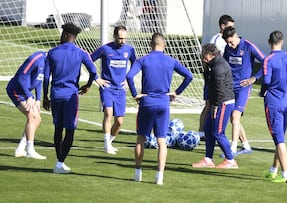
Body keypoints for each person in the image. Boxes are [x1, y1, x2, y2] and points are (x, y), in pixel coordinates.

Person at [126, 33, 192, 185]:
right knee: (162, 140)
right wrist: (176, 92)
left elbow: (129, 76)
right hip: (163, 103)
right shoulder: (170, 60)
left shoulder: (143, 60)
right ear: (164, 45)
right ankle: (159, 176)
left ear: (150, 44)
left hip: (147, 102)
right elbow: (189, 76)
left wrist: (136, 94)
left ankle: (138, 172)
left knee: (141, 138)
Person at [43, 23, 108, 174]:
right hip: (71, 96)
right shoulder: (81, 53)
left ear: (65, 35)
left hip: (56, 94)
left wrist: (45, 96)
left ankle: (59, 161)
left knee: (58, 128)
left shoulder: (52, 52)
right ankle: (60, 163)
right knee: (70, 130)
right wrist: (88, 86)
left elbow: (46, 77)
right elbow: (93, 72)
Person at [252, 30, 287, 183]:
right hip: (286, 103)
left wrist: (262, 92)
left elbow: (267, 81)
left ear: (269, 42)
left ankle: (286, 175)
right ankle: (273, 170)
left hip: (273, 104)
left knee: (279, 141)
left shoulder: (268, 60)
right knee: (280, 137)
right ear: (282, 41)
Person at [91, 25, 136, 155]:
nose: (123, 41)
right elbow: (88, 60)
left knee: (119, 121)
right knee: (108, 113)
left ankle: (109, 142)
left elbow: (136, 64)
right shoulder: (105, 49)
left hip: (121, 89)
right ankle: (106, 145)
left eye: (125, 38)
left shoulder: (129, 50)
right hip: (107, 87)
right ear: (115, 36)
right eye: (120, 38)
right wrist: (96, 78)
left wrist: (129, 79)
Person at [192, 43, 238, 169]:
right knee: (208, 129)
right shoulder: (212, 66)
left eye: (204, 55)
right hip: (217, 101)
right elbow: (210, 83)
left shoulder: (219, 67)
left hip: (223, 102)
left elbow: (219, 88)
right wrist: (206, 69)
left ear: (211, 54)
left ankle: (230, 160)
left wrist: (216, 105)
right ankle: (208, 159)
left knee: (218, 132)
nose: (202, 57)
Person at [222, 26, 265, 156]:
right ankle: (246, 145)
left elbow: (266, 62)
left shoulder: (249, 46)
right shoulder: (227, 48)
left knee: (235, 117)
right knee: (233, 118)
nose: (230, 45)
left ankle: (232, 149)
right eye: (227, 43)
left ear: (236, 36)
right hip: (229, 87)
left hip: (243, 88)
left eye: (231, 42)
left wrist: (254, 78)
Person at [198, 14, 235, 140]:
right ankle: (201, 132)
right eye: (230, 26)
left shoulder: (229, 40)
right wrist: (208, 75)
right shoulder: (216, 40)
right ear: (222, 26)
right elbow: (206, 57)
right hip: (214, 78)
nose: (232, 29)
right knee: (209, 104)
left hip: (222, 77)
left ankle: (211, 130)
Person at [6, 51, 47, 160]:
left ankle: (20, 149)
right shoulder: (36, 58)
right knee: (33, 116)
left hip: (26, 92)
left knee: (37, 119)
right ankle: (30, 150)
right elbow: (20, 76)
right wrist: (29, 96)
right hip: (16, 90)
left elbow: (39, 80)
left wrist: (38, 99)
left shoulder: (50, 63)